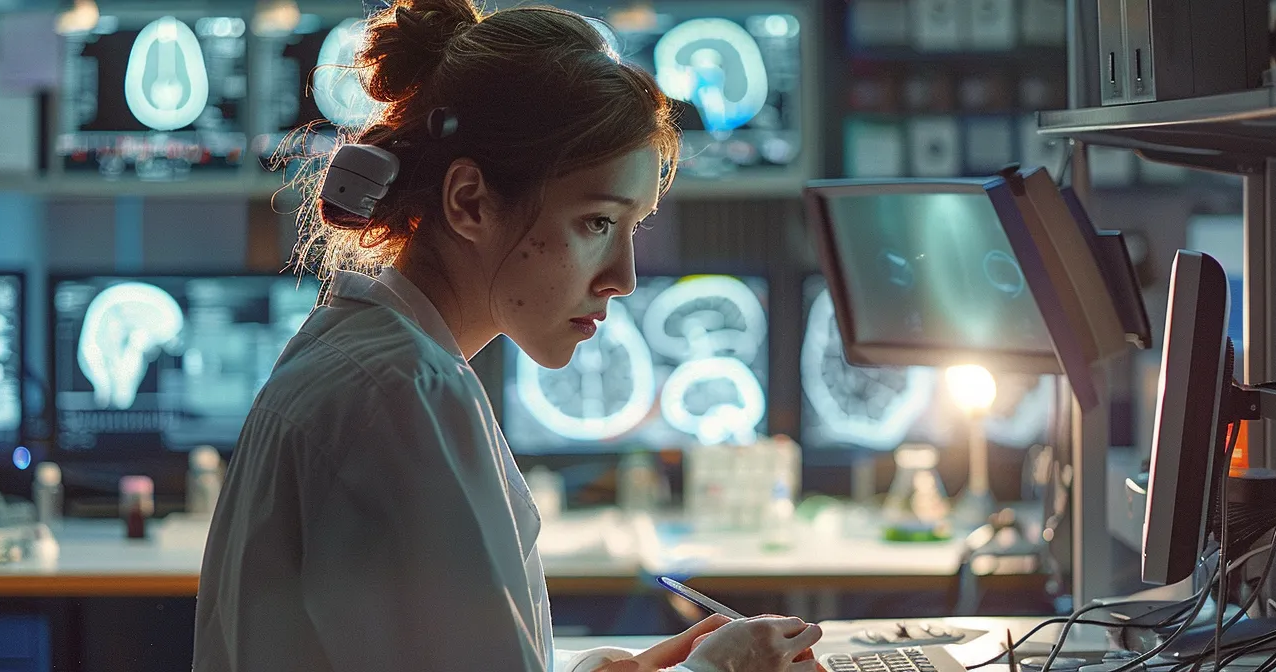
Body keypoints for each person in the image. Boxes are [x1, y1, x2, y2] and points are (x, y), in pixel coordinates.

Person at [192, 0, 825, 670]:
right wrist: (717, 667)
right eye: (598, 224)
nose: (624, 277)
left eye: (632, 228)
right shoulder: (405, 399)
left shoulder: (360, 356)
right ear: (469, 203)